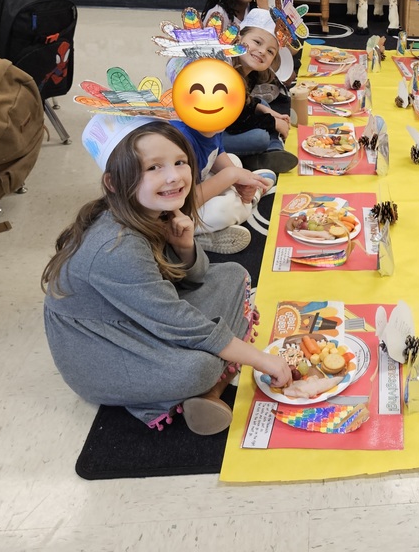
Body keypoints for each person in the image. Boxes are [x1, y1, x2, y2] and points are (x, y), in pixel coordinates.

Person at [43, 117, 291, 435]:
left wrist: (185, 245)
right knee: (197, 368)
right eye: (153, 168)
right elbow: (175, 320)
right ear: (114, 183)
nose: (173, 177)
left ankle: (210, 389)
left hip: (139, 316)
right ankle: (191, 389)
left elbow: (195, 276)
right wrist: (261, 359)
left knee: (232, 274)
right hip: (101, 348)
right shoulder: (115, 246)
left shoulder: (152, 208)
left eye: (180, 162)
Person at [167, 58, 277, 255]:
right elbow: (183, 202)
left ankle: (245, 192)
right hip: (174, 212)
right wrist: (232, 177)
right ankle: (197, 237)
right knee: (223, 209)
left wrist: (240, 179)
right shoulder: (179, 142)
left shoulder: (211, 121)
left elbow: (216, 153)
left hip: (195, 186)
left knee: (233, 162)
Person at [223, 10, 299, 175]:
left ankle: (273, 152)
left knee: (261, 104)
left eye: (271, 51)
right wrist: (272, 122)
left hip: (232, 122)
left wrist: (269, 112)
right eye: (257, 42)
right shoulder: (226, 73)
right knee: (260, 137)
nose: (263, 51)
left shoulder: (245, 71)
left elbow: (245, 104)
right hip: (212, 137)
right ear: (239, 38)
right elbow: (235, 123)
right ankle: (255, 157)